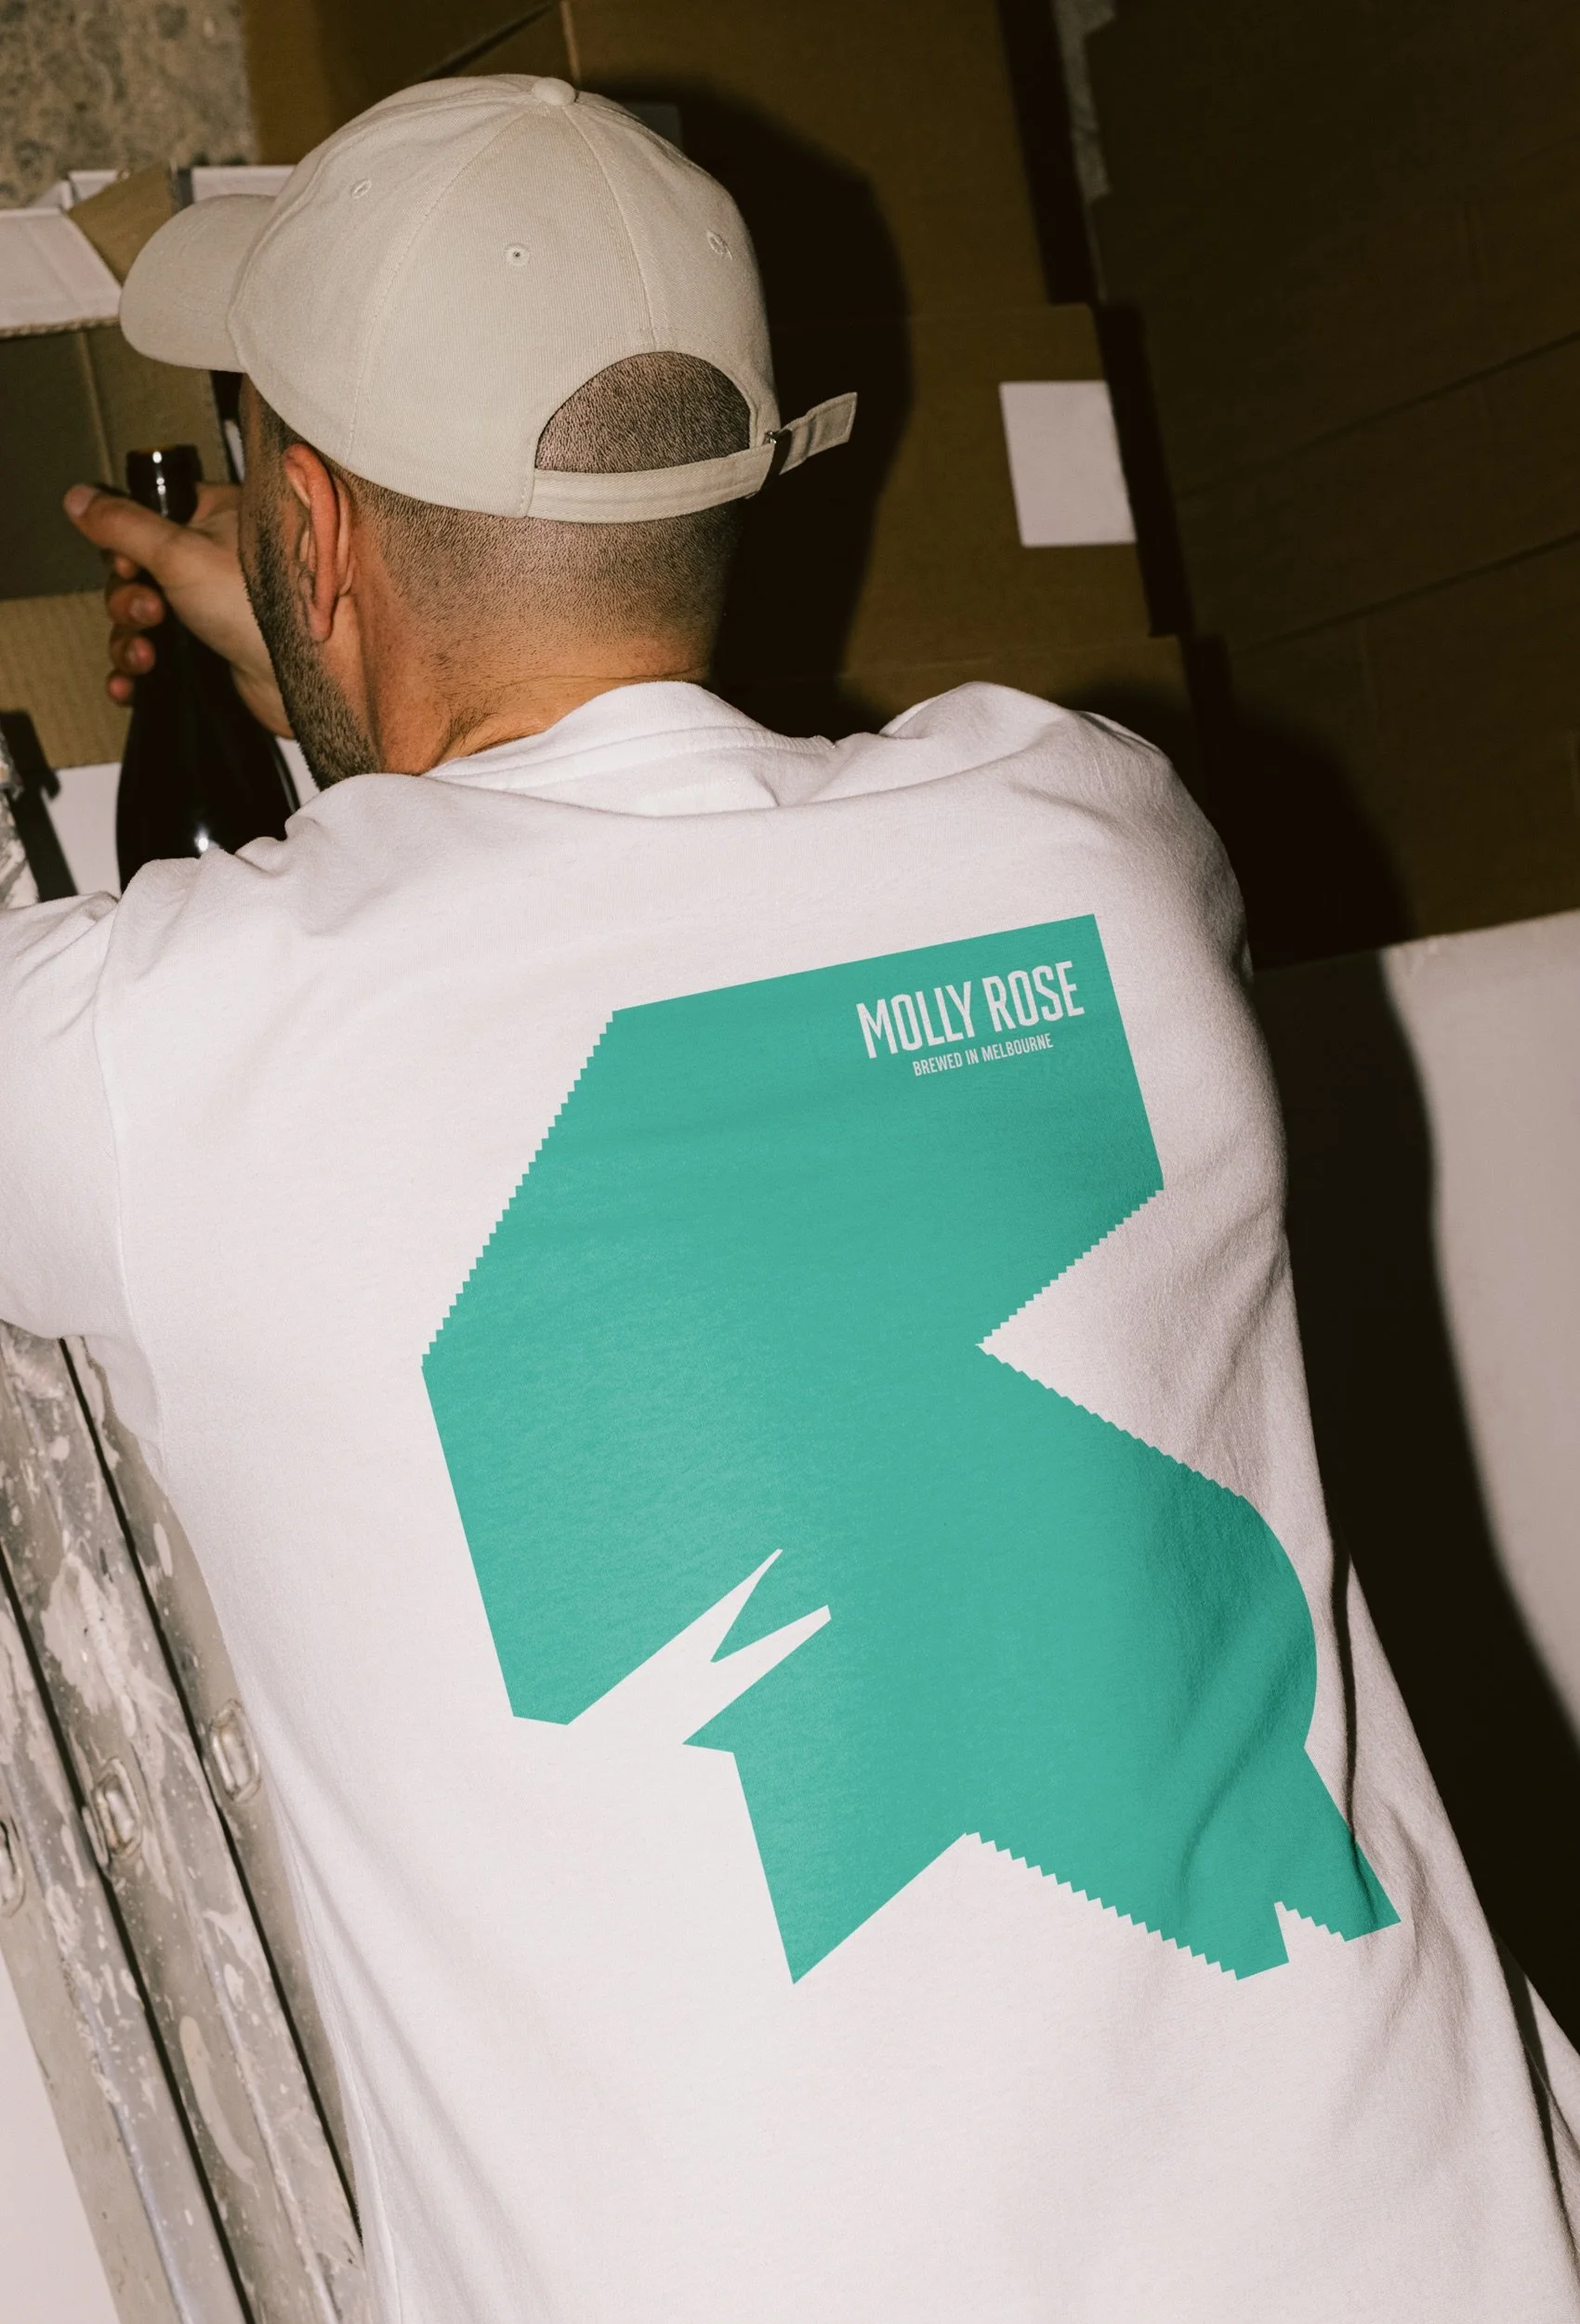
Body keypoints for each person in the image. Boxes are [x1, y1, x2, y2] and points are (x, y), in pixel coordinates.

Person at [1, 71, 1576, 2324]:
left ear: (315, 534)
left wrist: (338, 717)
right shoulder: (1101, 837)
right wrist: (360, 701)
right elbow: (656, 939)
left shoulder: (161, 1053)